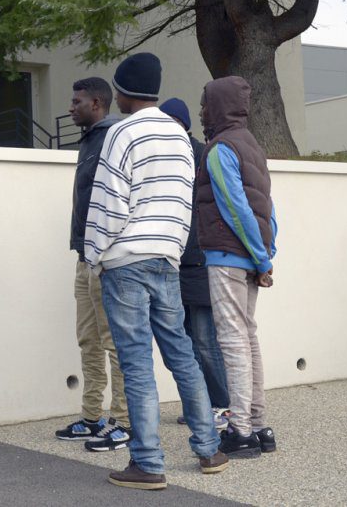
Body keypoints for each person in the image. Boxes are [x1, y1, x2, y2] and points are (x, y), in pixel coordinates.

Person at [85, 53, 228, 490]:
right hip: (168, 258)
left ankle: (148, 463)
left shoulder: (121, 132)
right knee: (181, 354)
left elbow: (110, 200)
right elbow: (185, 203)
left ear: (124, 92)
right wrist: (169, 247)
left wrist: (94, 254)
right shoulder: (181, 138)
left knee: (136, 363)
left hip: (126, 260)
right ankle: (209, 449)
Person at [196, 77, 278, 458]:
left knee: (232, 341)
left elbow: (234, 208)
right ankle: (259, 427)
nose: (201, 112)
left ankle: (240, 430)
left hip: (228, 258)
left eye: (205, 104)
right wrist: (265, 255)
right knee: (248, 338)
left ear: (219, 106)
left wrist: (261, 257)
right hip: (251, 256)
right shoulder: (253, 147)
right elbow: (267, 211)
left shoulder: (220, 148)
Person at [54, 78, 131, 452]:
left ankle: (122, 420)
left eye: (76, 101)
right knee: (88, 340)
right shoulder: (89, 139)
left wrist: (102, 253)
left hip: (105, 259)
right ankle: (91, 417)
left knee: (112, 342)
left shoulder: (112, 138)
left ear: (96, 103)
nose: (70, 107)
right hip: (84, 257)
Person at [159, 98, 232, 430]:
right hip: (174, 263)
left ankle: (222, 404)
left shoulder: (203, 156)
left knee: (204, 339)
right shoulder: (164, 157)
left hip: (199, 262)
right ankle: (199, 406)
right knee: (183, 340)